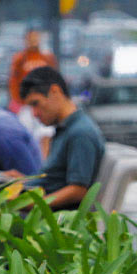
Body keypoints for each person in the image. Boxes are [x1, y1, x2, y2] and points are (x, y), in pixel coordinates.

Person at [17, 66, 104, 210]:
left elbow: (78, 191)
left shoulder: (80, 133)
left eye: (35, 104)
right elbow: (54, 179)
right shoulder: (65, 129)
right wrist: (22, 181)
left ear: (55, 91)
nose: (34, 114)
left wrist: (30, 205)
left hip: (55, 219)